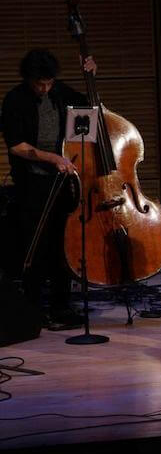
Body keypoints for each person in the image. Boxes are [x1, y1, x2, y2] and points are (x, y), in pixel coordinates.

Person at [1, 49, 96, 329]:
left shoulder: (60, 91)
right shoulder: (15, 100)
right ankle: (32, 309)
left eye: (48, 83)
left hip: (63, 182)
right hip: (33, 182)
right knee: (36, 246)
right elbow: (17, 146)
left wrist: (90, 77)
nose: (44, 89)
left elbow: (90, 110)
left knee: (62, 246)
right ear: (28, 79)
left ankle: (61, 306)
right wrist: (53, 158)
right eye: (39, 84)